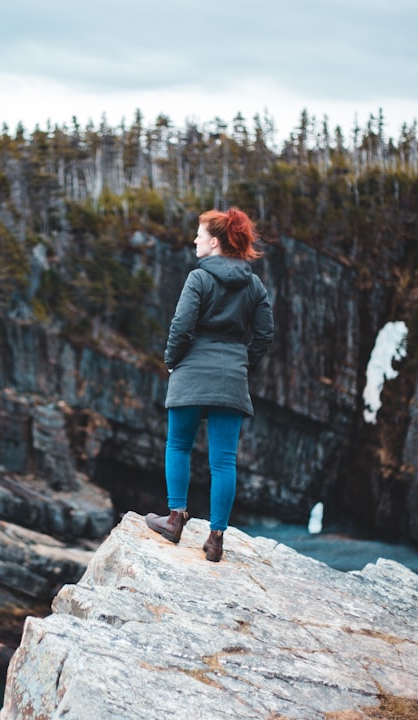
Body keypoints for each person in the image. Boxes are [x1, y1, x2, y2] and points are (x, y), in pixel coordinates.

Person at [145, 207, 274, 562]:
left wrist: (174, 361)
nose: (195, 240)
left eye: (199, 235)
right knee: (224, 462)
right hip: (232, 376)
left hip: (191, 371)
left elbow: (181, 326)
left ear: (214, 242)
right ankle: (216, 540)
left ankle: (174, 520)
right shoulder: (254, 284)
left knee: (179, 446)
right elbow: (264, 334)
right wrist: (243, 366)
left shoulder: (198, 279)